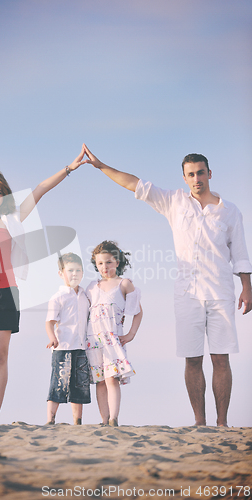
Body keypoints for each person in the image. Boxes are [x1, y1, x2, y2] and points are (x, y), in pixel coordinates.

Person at [84, 144, 252, 427]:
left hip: (221, 293)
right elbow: (134, 184)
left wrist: (246, 287)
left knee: (221, 358)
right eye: (190, 174)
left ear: (210, 174)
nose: (196, 179)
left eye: (201, 173)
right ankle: (200, 423)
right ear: (184, 178)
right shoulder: (174, 201)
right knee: (193, 359)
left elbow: (240, 253)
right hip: (187, 295)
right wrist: (101, 166)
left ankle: (222, 424)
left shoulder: (230, 212)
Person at [0, 149, 86, 425]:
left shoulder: (15, 217)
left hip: (6, 293)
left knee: (0, 355)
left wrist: (69, 168)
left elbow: (40, 189)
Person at [86, 240, 143, 427]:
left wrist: (131, 334)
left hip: (112, 339)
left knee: (112, 379)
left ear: (117, 262)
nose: (104, 267)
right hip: (93, 340)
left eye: (109, 262)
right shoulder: (92, 287)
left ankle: (113, 419)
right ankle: (103, 419)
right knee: (100, 380)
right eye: (100, 263)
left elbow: (138, 311)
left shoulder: (124, 284)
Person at [46, 253, 91, 425]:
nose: (74, 274)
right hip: (62, 347)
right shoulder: (58, 297)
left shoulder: (85, 295)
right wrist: (52, 338)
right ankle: (50, 419)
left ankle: (77, 421)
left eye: (78, 270)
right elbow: (49, 323)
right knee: (58, 383)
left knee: (79, 386)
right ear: (61, 273)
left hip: (81, 347)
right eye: (70, 270)